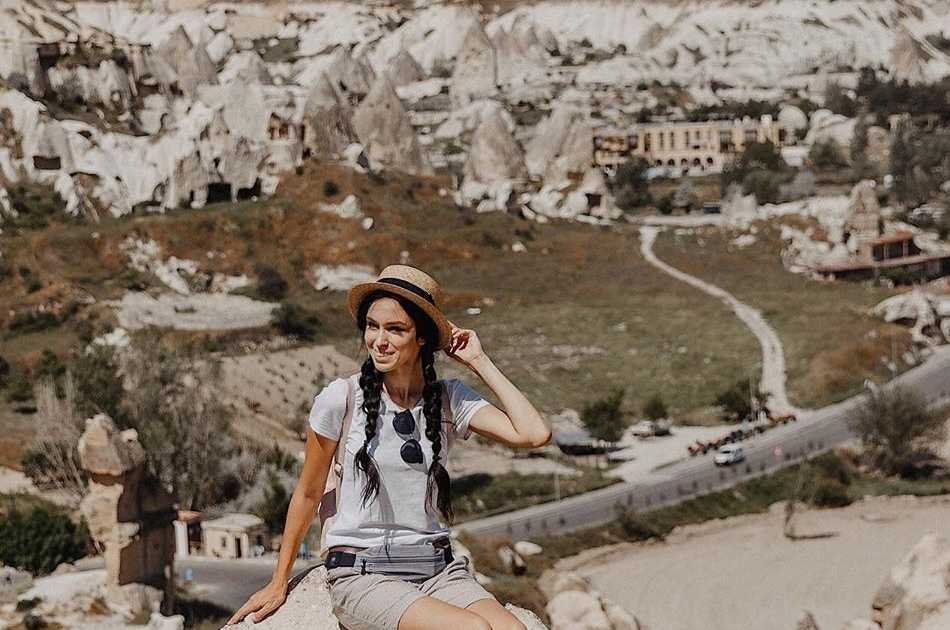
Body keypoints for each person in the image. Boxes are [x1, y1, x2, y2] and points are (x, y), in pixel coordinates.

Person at [227, 264, 551, 630]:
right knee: (472, 629)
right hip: (363, 574)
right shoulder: (341, 398)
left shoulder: (449, 398)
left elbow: (534, 434)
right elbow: (308, 492)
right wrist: (278, 580)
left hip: (438, 570)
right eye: (372, 326)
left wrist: (478, 360)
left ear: (422, 337)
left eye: (395, 329)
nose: (379, 340)